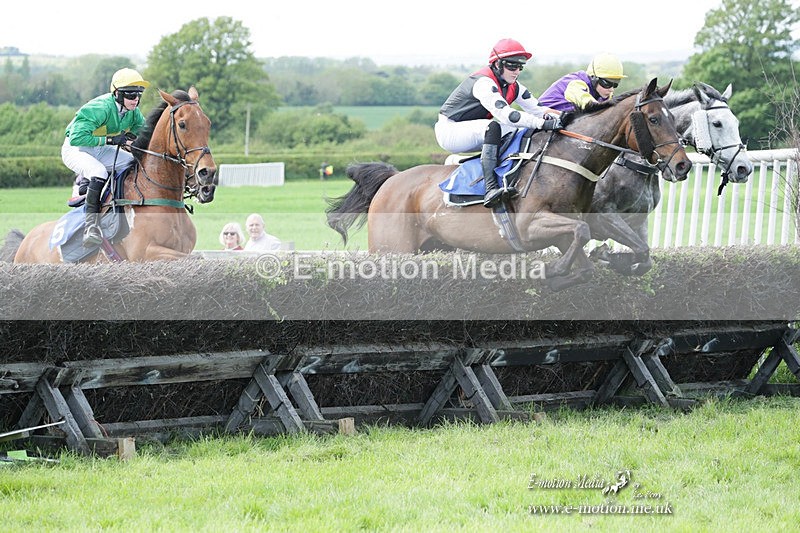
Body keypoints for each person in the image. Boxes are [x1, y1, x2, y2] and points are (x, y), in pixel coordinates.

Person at [435, 38, 562, 208]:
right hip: (450, 131)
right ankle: (490, 189)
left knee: (519, 132)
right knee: (494, 127)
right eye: (512, 66)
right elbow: (508, 116)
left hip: (472, 130)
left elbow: (539, 110)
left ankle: (505, 174)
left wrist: (566, 118)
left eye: (520, 67)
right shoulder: (483, 83)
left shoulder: (515, 86)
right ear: (497, 64)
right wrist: (542, 124)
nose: (517, 71)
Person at [62, 67, 150, 246]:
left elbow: (142, 129)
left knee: (132, 162)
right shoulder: (100, 108)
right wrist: (111, 139)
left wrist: (132, 137)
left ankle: (118, 206)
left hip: (99, 148)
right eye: (131, 94)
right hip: (76, 149)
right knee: (99, 171)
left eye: (138, 94)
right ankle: (91, 226)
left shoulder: (132, 111)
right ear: (117, 94)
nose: (136, 99)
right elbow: (76, 138)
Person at [537, 52, 626, 112]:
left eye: (615, 84)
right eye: (607, 83)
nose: (611, 89)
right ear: (594, 78)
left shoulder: (605, 93)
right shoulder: (576, 84)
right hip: (539, 116)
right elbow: (593, 108)